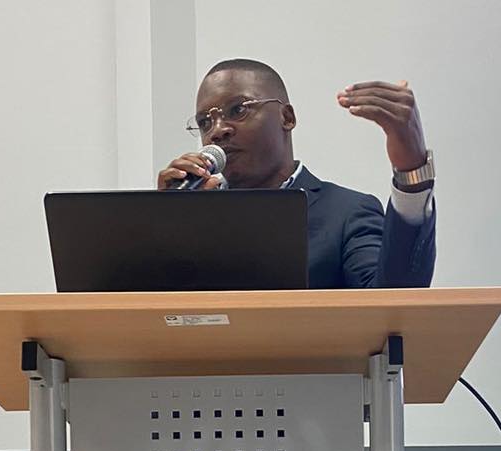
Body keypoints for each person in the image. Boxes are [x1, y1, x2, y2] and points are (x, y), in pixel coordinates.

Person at [158, 58, 436, 289]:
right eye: (205, 122)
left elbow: (392, 305)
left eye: (238, 110)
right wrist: (165, 225)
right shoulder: (197, 221)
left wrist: (412, 171)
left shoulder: (346, 213)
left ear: (286, 117)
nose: (218, 130)